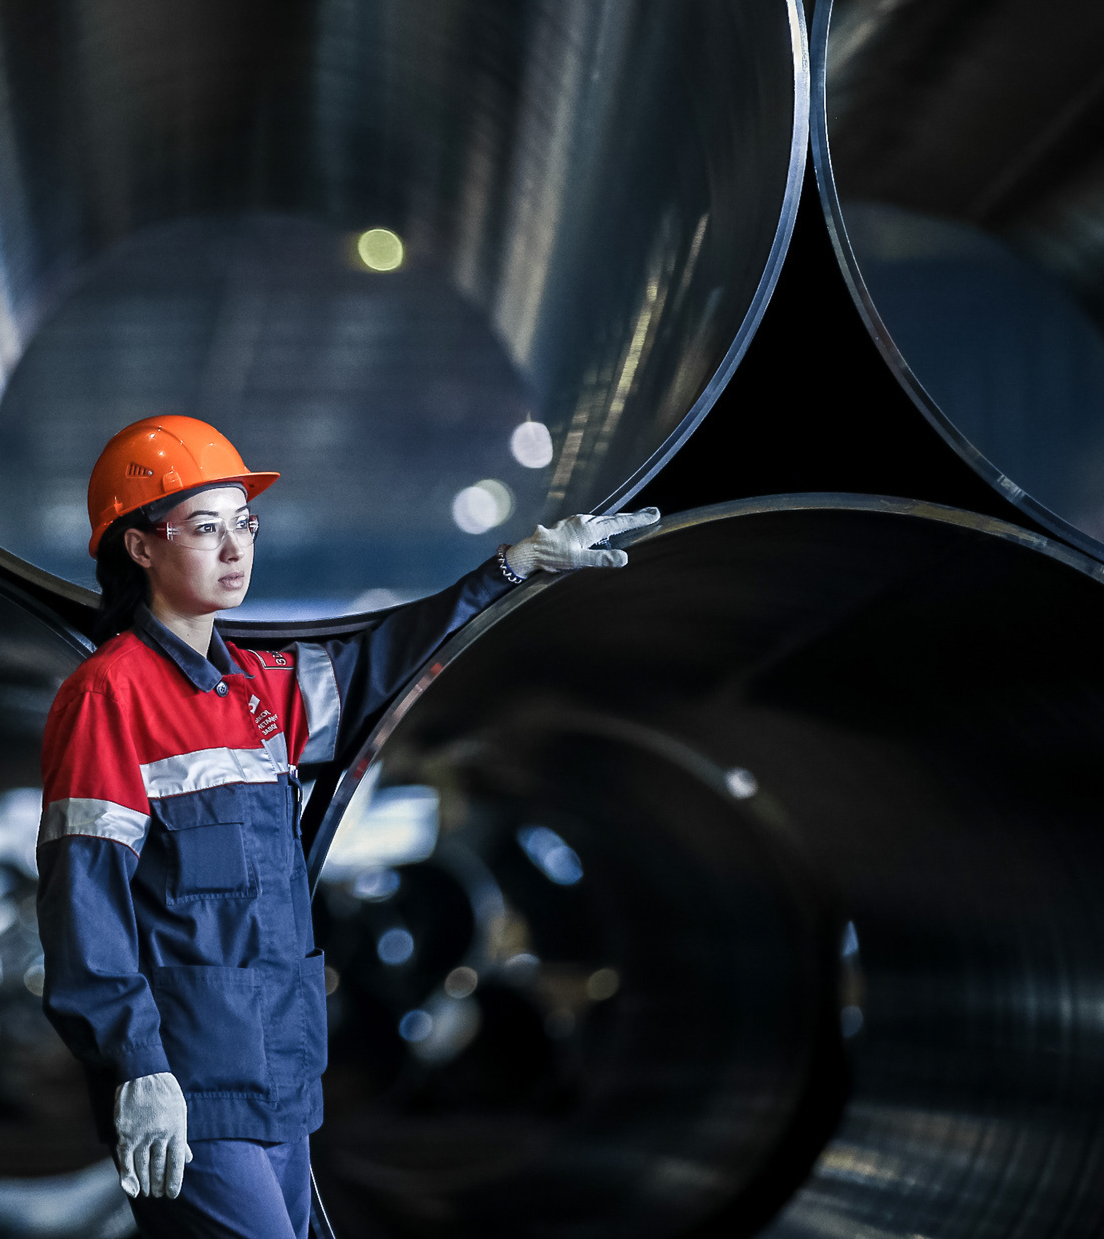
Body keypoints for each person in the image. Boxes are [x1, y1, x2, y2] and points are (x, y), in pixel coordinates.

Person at [35, 415, 656, 1239]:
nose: (235, 550)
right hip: (189, 1081)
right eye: (205, 528)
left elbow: (383, 664)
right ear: (140, 547)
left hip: (281, 1075)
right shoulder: (109, 697)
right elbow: (84, 905)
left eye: (243, 525)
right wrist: (136, 1068)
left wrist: (513, 567)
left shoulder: (259, 691)